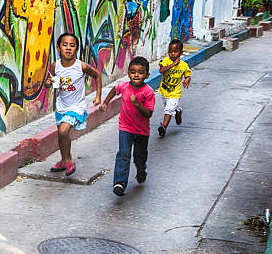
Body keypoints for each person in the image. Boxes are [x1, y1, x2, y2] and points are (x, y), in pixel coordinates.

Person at [44, 32, 102, 176]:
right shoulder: (55, 66)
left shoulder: (81, 66)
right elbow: (48, 83)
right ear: (58, 48)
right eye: (65, 45)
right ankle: (64, 161)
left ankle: (69, 160)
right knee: (60, 134)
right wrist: (48, 83)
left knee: (63, 131)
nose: (68, 48)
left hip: (76, 107)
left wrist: (98, 96)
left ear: (76, 49)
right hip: (61, 105)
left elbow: (97, 76)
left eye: (72, 45)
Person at [100, 56, 155, 196]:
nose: (136, 75)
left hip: (142, 131)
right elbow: (114, 89)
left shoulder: (148, 92)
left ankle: (141, 170)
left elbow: (148, 114)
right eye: (133, 72)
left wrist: (137, 104)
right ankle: (119, 183)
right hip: (125, 128)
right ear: (128, 73)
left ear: (147, 75)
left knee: (139, 156)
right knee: (123, 154)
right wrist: (106, 102)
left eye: (140, 72)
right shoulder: (124, 86)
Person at [157, 39, 192, 137]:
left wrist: (187, 79)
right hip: (164, 91)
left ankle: (164, 127)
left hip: (175, 93)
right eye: (170, 51)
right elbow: (161, 70)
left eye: (175, 51)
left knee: (168, 110)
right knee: (168, 107)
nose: (172, 54)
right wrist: (173, 64)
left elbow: (188, 75)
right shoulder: (166, 61)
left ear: (181, 53)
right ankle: (178, 111)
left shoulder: (183, 65)